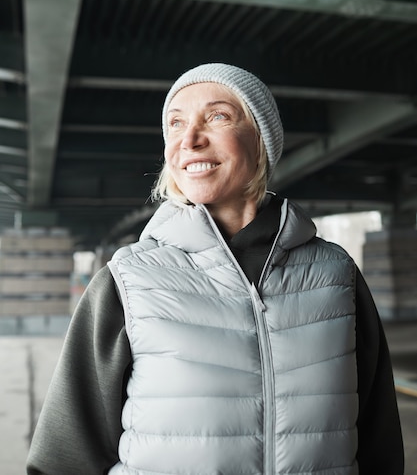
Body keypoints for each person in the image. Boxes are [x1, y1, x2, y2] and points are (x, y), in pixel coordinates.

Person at [27, 63, 404, 474]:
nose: (190, 139)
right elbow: (61, 461)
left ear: (261, 140)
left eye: (218, 116)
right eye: (176, 123)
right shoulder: (126, 283)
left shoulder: (337, 276)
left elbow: (379, 447)